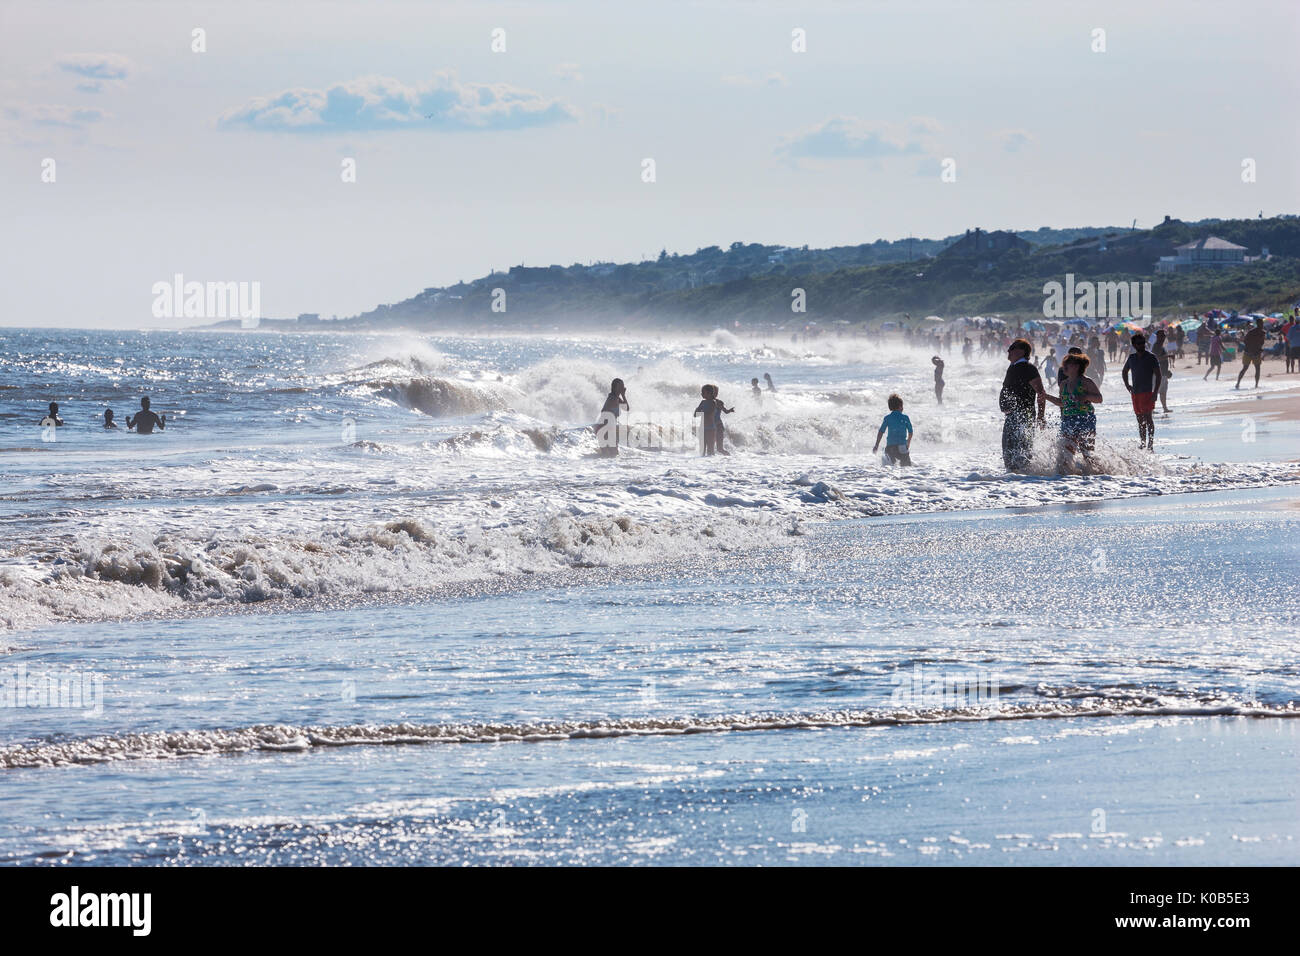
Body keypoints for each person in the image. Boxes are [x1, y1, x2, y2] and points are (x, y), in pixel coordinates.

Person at [1042, 352, 1103, 473]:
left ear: (1076, 366)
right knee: (1067, 455)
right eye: (1064, 364)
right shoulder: (1064, 384)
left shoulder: (1086, 381)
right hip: (1068, 419)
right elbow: (1062, 403)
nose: (1063, 367)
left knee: (1087, 454)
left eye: (1067, 365)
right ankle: (1067, 480)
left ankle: (1098, 475)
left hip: (1085, 419)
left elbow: (1099, 398)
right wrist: (1046, 396)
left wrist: (1085, 396)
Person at [998, 338, 1046, 471]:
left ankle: (1025, 480)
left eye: (1012, 348)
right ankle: (1015, 482)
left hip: (1024, 415)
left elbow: (1041, 393)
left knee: (1022, 452)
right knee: (1009, 452)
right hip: (1013, 416)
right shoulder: (1013, 367)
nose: (1009, 350)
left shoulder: (1028, 368)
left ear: (1021, 351)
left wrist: (1041, 416)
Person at [1121, 333, 1161, 450]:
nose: (1142, 345)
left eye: (1143, 343)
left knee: (1148, 419)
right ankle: (1143, 443)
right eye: (1139, 343)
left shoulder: (1151, 357)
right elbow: (1124, 371)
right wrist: (1127, 385)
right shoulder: (1131, 358)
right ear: (1134, 345)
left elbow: (1159, 376)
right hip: (1135, 393)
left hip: (1147, 392)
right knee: (1140, 420)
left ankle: (1151, 444)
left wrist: (1155, 392)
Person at [872, 393, 913, 466]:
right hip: (902, 447)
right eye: (902, 406)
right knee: (907, 467)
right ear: (900, 406)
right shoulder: (905, 417)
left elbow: (881, 432)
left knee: (890, 467)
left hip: (890, 447)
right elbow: (910, 432)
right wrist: (908, 443)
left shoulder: (887, 418)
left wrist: (876, 445)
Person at [596, 379, 627, 457]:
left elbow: (626, 408)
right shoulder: (612, 399)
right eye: (621, 386)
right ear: (616, 387)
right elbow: (604, 414)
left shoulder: (616, 398)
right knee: (611, 455)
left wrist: (623, 395)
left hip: (608, 428)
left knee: (611, 455)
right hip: (605, 429)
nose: (623, 387)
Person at [1235, 317, 1267, 389]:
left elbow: (1261, 343)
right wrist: (1254, 347)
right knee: (1245, 368)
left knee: (1257, 369)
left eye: (1262, 324)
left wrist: (1258, 348)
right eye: (1260, 324)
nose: (1261, 325)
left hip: (1254, 352)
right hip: (1249, 352)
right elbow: (1245, 341)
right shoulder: (1252, 332)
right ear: (1257, 324)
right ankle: (1238, 383)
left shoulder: (1262, 333)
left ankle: (1256, 385)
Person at [694, 385, 719, 456]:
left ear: (709, 393)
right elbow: (695, 415)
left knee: (710, 451)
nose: (701, 394)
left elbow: (709, 414)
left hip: (710, 428)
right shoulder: (702, 402)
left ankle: (711, 465)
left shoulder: (713, 402)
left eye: (703, 392)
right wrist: (698, 410)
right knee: (702, 451)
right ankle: (702, 465)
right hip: (702, 428)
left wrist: (700, 411)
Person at [1152, 328, 1172, 414]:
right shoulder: (1156, 346)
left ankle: (1165, 408)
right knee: (1155, 391)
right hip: (1157, 374)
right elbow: (1155, 359)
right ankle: (1152, 409)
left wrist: (1167, 371)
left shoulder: (1162, 346)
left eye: (1164, 336)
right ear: (1157, 337)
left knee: (1163, 392)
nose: (1163, 338)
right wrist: (1167, 357)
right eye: (1161, 336)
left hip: (1163, 373)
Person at [712, 386, 735, 455]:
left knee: (720, 449)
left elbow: (726, 411)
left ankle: (731, 460)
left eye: (715, 392)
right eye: (711, 392)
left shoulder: (719, 402)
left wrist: (730, 410)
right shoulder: (706, 403)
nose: (713, 394)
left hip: (718, 426)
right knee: (710, 448)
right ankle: (709, 464)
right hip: (710, 427)